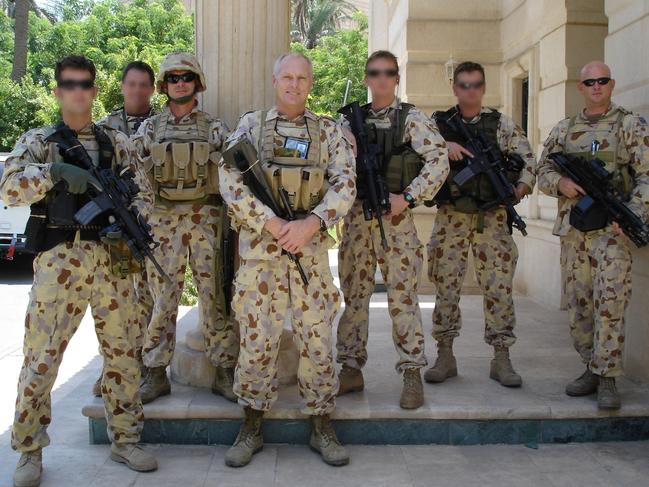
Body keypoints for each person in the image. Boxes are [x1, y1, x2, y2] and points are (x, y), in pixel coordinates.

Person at [0, 55, 158, 487]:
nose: (78, 91)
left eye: (85, 83)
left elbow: (144, 195)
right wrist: (51, 172)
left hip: (112, 262)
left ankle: (126, 439)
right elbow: (8, 187)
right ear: (58, 91)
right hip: (60, 262)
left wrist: (130, 227)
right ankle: (29, 449)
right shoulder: (39, 141)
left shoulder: (116, 143)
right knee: (42, 358)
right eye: (69, 84)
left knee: (124, 355)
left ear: (93, 89)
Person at [218, 52, 356, 467]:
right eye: (287, 77)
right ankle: (251, 424)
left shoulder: (327, 131)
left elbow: (346, 183)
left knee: (317, 340)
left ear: (310, 83)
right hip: (262, 254)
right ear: (275, 79)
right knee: (257, 340)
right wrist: (272, 223)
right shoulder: (250, 126)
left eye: (302, 78)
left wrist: (312, 223)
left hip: (309, 254)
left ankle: (322, 424)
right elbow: (229, 179)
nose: (294, 84)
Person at [336, 50, 449, 409]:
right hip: (356, 222)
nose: (381, 79)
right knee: (354, 298)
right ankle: (351, 369)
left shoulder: (411, 118)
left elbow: (439, 160)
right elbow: (331, 166)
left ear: (396, 78)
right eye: (374, 73)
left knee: (403, 299)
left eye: (388, 73)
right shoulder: (347, 122)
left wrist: (409, 197)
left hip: (397, 224)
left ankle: (412, 372)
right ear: (367, 78)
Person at [537, 60, 649, 409]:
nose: (596, 87)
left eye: (602, 81)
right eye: (590, 82)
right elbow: (542, 170)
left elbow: (646, 174)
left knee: (611, 303)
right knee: (580, 304)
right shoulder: (565, 129)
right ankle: (590, 367)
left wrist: (634, 214)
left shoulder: (630, 125)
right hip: (575, 232)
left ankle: (608, 377)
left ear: (611, 85)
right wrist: (562, 183)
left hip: (611, 232)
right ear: (580, 88)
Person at [132, 52, 239, 404]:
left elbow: (231, 176)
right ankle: (155, 371)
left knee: (214, 297)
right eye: (174, 78)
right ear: (164, 85)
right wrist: (148, 217)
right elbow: (135, 175)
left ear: (197, 82)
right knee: (163, 299)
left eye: (187, 77)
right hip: (163, 222)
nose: (180, 83)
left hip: (205, 220)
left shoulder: (214, 127)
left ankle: (224, 369)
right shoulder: (150, 128)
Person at [425, 61, 537, 388]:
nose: (470, 91)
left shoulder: (500, 124)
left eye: (475, 85)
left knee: (499, 288)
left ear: (483, 87)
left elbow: (529, 163)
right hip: (451, 218)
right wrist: (442, 146)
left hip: (493, 218)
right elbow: (416, 155)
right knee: (446, 287)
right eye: (463, 85)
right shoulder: (438, 124)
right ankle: (445, 355)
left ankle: (501, 357)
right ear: (454, 88)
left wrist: (520, 188)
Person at [91, 60, 158, 397]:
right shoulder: (103, 128)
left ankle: (144, 368)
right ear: (122, 86)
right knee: (113, 301)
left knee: (147, 299)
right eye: (131, 84)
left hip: (148, 224)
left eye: (144, 84)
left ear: (152, 88)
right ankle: (110, 369)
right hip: (114, 228)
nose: (137, 90)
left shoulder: (162, 124)